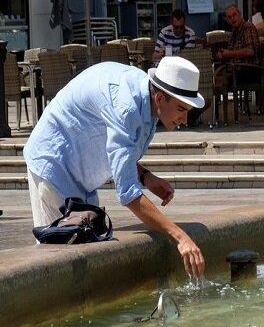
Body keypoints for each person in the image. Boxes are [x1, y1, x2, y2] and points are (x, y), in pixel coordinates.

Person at [24, 57, 206, 278]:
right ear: (160, 98)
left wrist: (146, 177)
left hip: (81, 175)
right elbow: (128, 194)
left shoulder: (147, 99)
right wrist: (181, 237)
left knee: (84, 261)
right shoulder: (126, 106)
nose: (185, 119)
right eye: (181, 109)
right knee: (56, 268)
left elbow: (121, 151)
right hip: (53, 164)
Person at [214, 5, 261, 124]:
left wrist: (229, 54)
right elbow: (230, 51)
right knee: (213, 79)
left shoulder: (247, 28)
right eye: (229, 17)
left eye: (234, 15)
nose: (232, 19)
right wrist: (222, 54)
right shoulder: (235, 31)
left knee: (218, 80)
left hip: (248, 71)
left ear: (240, 14)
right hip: (235, 70)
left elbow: (250, 51)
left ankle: (220, 118)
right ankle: (215, 117)